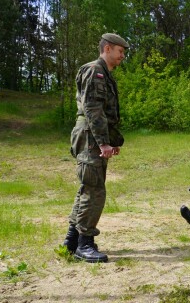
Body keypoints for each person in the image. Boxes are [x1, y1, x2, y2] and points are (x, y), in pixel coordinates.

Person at [61, 33, 129, 263]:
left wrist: (110, 139)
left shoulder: (104, 74)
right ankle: (84, 244)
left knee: (87, 186)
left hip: (93, 135)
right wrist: (103, 142)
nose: (123, 56)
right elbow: (93, 109)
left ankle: (72, 240)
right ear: (107, 48)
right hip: (91, 136)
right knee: (94, 190)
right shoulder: (95, 71)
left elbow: (102, 112)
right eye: (120, 51)